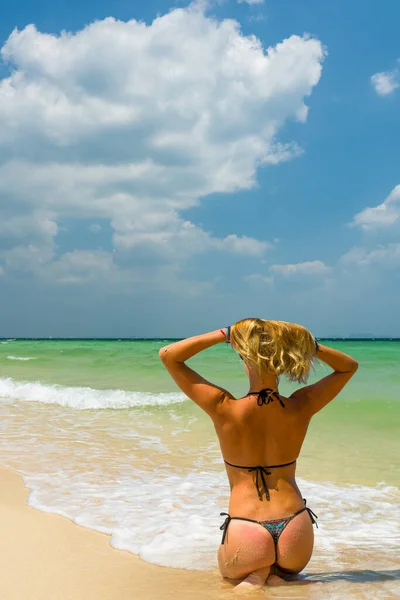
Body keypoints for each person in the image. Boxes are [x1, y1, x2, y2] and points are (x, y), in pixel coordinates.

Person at [159, 319, 358, 589]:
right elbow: (348, 367)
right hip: (296, 530)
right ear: (282, 362)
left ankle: (259, 573)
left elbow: (169, 356)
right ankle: (275, 573)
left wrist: (226, 334)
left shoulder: (223, 407)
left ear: (245, 360)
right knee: (285, 579)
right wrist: (303, 343)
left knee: (230, 576)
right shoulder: (301, 405)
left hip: (247, 529)